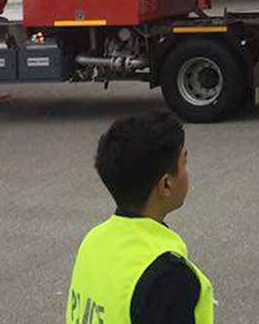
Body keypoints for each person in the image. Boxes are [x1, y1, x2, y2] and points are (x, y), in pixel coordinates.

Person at [66, 112, 215, 324]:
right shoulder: (168, 277)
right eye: (184, 162)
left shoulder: (93, 242)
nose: (187, 173)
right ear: (166, 184)